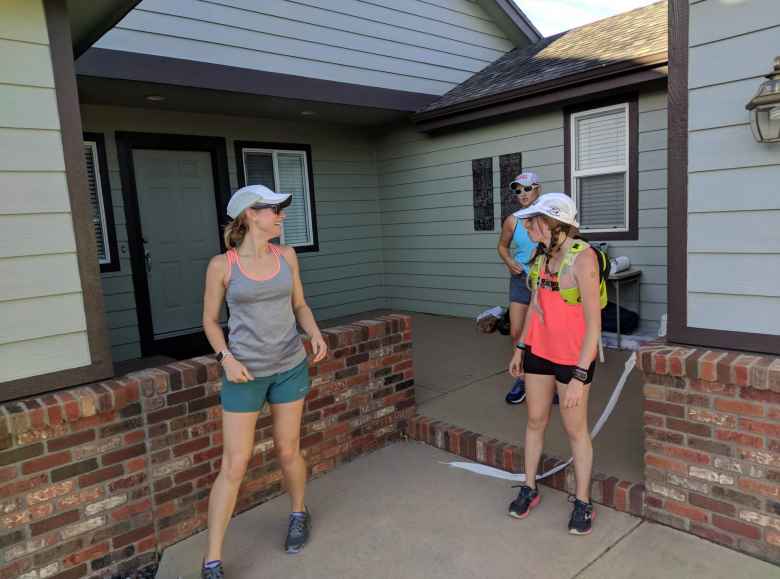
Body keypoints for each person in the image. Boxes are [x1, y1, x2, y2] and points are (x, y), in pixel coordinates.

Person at [201, 184, 328, 578]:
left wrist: (315, 333)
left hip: (290, 366)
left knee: (288, 451)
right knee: (234, 464)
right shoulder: (222, 266)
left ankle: (297, 512)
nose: (282, 215)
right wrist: (226, 358)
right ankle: (212, 560)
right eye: (274, 209)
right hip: (245, 375)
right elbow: (209, 320)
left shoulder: (287, 256)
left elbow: (299, 304)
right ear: (249, 215)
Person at [506, 193, 600, 536]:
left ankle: (583, 501)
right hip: (539, 354)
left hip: (573, 360)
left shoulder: (583, 259)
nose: (528, 225)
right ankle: (529, 487)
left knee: (575, 430)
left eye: (535, 220)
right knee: (534, 420)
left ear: (554, 224)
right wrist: (521, 347)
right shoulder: (540, 258)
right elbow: (535, 306)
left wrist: (578, 376)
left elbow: (594, 326)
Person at [497, 173, 542, 405]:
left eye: (527, 188)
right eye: (518, 190)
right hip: (520, 278)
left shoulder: (547, 214)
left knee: (544, 334)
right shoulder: (512, 220)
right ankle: (522, 378)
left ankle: (548, 381)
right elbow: (502, 246)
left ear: (537, 189)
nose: (522, 194)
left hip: (545, 279)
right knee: (516, 331)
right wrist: (509, 261)